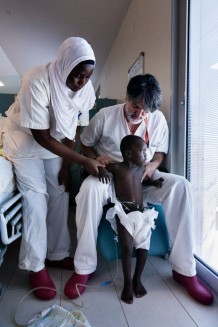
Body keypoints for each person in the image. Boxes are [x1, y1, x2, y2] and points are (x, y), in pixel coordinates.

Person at [64, 73, 214, 306]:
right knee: (88, 190)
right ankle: (84, 266)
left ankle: (185, 270)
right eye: (136, 106)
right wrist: (96, 158)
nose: (140, 114)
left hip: (143, 180)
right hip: (110, 180)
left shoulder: (157, 120)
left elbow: (160, 153)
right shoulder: (105, 116)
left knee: (181, 186)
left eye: (146, 110)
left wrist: (153, 165)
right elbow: (86, 143)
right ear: (127, 96)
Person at [3, 37, 101, 300]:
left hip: (56, 143)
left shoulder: (86, 89)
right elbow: (41, 137)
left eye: (87, 76)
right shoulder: (36, 80)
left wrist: (67, 168)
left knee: (59, 191)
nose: (81, 82)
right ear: (64, 64)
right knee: (36, 199)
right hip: (26, 141)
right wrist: (82, 161)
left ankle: (57, 254)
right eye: (77, 75)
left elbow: (74, 128)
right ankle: (35, 266)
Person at [98, 134, 163, 304]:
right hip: (124, 213)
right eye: (142, 151)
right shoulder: (117, 168)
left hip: (142, 214)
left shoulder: (142, 170)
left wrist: (153, 184)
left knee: (143, 248)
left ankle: (137, 279)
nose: (146, 155)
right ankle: (127, 283)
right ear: (128, 154)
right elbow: (98, 166)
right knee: (126, 247)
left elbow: (139, 184)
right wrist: (102, 169)